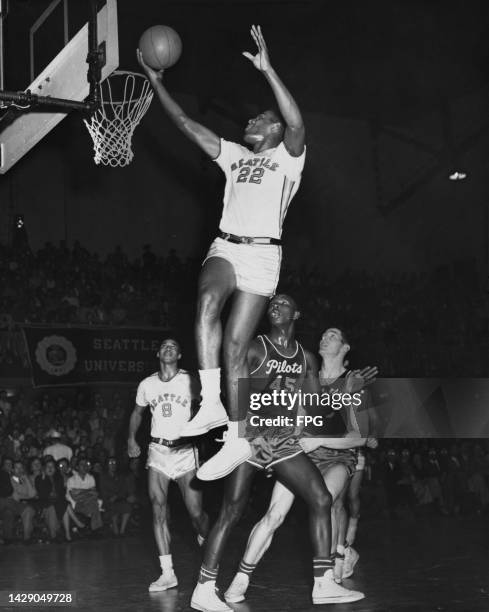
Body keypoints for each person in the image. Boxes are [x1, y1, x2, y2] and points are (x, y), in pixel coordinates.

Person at [137, 25, 307, 480]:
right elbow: (186, 125)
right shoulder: (233, 154)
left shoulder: (288, 157)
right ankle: (210, 402)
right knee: (208, 300)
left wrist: (268, 70)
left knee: (236, 347)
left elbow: (295, 122)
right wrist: (156, 83)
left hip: (264, 257)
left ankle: (235, 438)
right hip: (226, 246)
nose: (249, 122)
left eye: (258, 119)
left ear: (272, 129)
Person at [190, 299, 364, 611]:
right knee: (231, 512)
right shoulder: (256, 348)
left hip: (283, 441)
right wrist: (247, 435)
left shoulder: (305, 358)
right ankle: (204, 588)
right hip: (251, 437)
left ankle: (324, 583)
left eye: (285, 303)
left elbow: (315, 409)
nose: (276, 305)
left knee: (322, 498)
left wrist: (346, 393)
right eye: (273, 302)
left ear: (296, 314)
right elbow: (237, 395)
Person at [224, 327, 377, 603]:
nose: (324, 337)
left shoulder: (353, 383)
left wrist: (319, 441)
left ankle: (329, 573)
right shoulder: (305, 378)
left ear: (345, 348)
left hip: (336, 457)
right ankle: (239, 580)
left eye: (333, 335)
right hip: (300, 453)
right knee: (274, 515)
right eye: (323, 334)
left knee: (327, 500)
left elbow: (361, 437)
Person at [127, 338, 209, 592]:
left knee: (196, 514)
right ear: (158, 353)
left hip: (185, 452)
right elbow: (137, 413)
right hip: (157, 451)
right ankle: (167, 573)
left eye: (174, 346)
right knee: (158, 508)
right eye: (164, 345)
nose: (169, 348)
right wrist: (130, 438)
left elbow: (211, 405)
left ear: (180, 354)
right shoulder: (147, 384)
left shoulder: (191, 380)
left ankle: (208, 544)